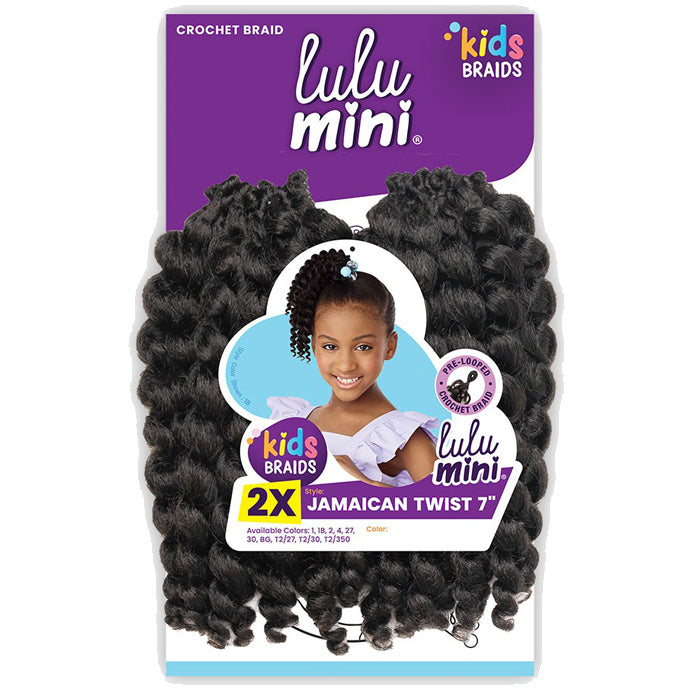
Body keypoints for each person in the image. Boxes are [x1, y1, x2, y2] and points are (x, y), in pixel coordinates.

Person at [267, 248, 437, 487]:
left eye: (363, 347)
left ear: (390, 346)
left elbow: (453, 507)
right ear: (314, 346)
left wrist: (362, 483)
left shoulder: (403, 438)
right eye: (330, 346)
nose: (346, 365)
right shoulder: (292, 421)